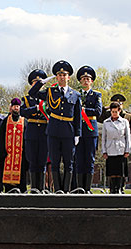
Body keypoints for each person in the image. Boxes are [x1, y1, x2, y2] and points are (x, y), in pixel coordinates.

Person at [29, 60, 81, 193]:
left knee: (69, 162)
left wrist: (77, 134)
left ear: (68, 77)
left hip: (69, 131)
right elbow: (32, 94)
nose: (62, 77)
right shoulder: (50, 91)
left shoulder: (75, 94)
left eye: (64, 75)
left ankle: (67, 190)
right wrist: (41, 82)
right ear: (56, 77)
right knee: (55, 161)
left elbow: (78, 116)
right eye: (59, 75)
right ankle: (58, 190)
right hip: (53, 131)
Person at [75, 65, 102, 193]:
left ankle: (88, 188)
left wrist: (85, 110)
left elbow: (98, 111)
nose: (86, 81)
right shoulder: (76, 95)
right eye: (83, 79)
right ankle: (80, 187)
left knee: (90, 158)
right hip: (79, 129)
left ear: (91, 81)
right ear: (80, 81)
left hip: (91, 128)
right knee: (79, 158)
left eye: (88, 79)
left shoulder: (96, 95)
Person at [20, 69, 49, 192]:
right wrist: (35, 108)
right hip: (32, 131)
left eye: (39, 83)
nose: (36, 85)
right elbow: (22, 112)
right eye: (34, 83)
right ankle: (33, 188)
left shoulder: (47, 98)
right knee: (32, 160)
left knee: (42, 161)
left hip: (44, 131)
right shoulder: (26, 99)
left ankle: (41, 188)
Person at [0, 98, 28, 192]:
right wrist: (2, 151)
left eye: (17, 106)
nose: (16, 108)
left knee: (21, 175)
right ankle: (8, 190)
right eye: (14, 106)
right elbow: (0, 137)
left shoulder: (24, 121)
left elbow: (26, 138)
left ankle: (21, 191)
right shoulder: (6, 121)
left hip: (20, 155)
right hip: (7, 155)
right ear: (11, 107)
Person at [102, 102, 131, 193]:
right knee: (112, 171)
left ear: (119, 111)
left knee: (120, 171)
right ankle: (112, 188)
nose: (114, 113)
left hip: (120, 148)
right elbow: (104, 138)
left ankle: (119, 187)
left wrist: (127, 149)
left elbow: (128, 136)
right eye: (112, 111)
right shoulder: (106, 122)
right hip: (110, 148)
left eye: (116, 111)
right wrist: (104, 151)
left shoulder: (124, 122)